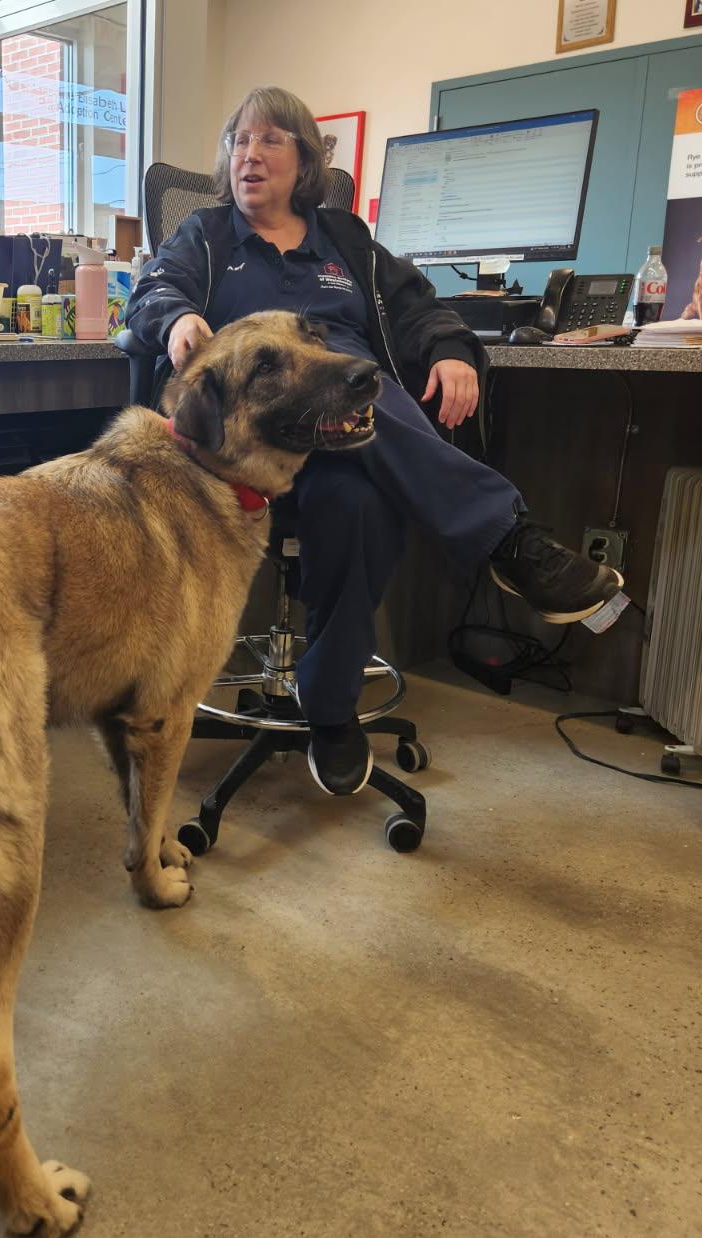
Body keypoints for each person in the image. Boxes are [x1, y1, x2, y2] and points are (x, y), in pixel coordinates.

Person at [125, 86, 623, 797]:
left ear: (304, 162)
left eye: (270, 141)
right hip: (249, 455)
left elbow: (422, 308)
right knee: (363, 387)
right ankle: (506, 541)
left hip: (352, 439)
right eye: (239, 141)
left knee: (359, 491)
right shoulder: (204, 238)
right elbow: (151, 294)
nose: (249, 156)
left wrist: (451, 349)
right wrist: (173, 317)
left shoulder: (346, 241)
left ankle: (329, 711)